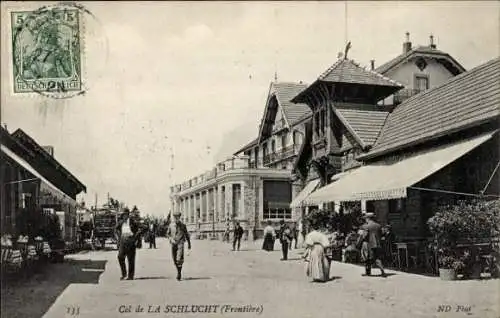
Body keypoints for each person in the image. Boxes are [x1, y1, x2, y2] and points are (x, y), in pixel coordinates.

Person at [115, 209, 141, 280]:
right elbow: (116, 229)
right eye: (123, 215)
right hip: (123, 241)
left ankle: (130, 276)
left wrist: (135, 238)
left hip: (131, 241)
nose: (125, 216)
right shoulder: (120, 222)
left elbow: (139, 230)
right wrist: (118, 238)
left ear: (128, 214)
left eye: (126, 214)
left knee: (131, 259)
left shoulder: (133, 222)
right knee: (120, 257)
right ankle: (124, 274)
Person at [358, 212, 386, 277]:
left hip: (367, 244)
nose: (365, 220)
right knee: (377, 258)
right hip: (376, 244)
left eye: (365, 218)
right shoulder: (378, 225)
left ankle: (368, 272)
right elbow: (381, 235)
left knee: (366, 258)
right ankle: (382, 271)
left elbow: (363, 236)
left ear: (368, 218)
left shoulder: (365, 226)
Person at [167, 211, 191, 281]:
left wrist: (189, 243)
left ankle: (179, 273)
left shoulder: (183, 225)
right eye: (175, 217)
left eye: (177, 217)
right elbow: (167, 234)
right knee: (174, 259)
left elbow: (186, 234)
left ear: (179, 218)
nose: (176, 219)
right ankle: (178, 270)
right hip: (173, 244)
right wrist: (171, 239)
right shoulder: (171, 225)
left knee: (179, 259)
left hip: (180, 243)